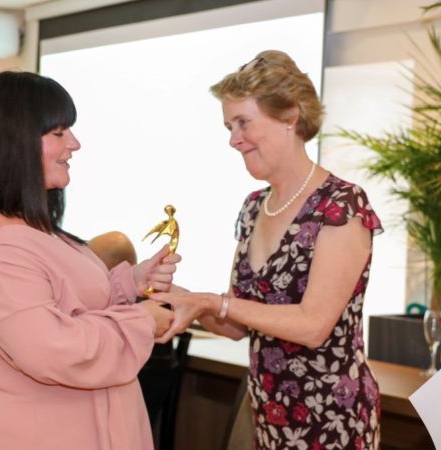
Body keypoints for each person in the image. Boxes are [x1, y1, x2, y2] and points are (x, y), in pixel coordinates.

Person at [0, 71, 180, 450]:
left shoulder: (24, 227)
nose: (74, 144)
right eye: (59, 133)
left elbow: (59, 304)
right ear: (14, 143)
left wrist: (130, 282)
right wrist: (143, 319)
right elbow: (55, 349)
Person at [150, 50, 385, 450]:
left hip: (332, 421)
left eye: (243, 122)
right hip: (269, 416)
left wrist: (214, 301)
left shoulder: (341, 205)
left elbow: (313, 326)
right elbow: (237, 325)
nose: (233, 139)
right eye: (228, 126)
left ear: (290, 115)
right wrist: (181, 300)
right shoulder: (254, 206)